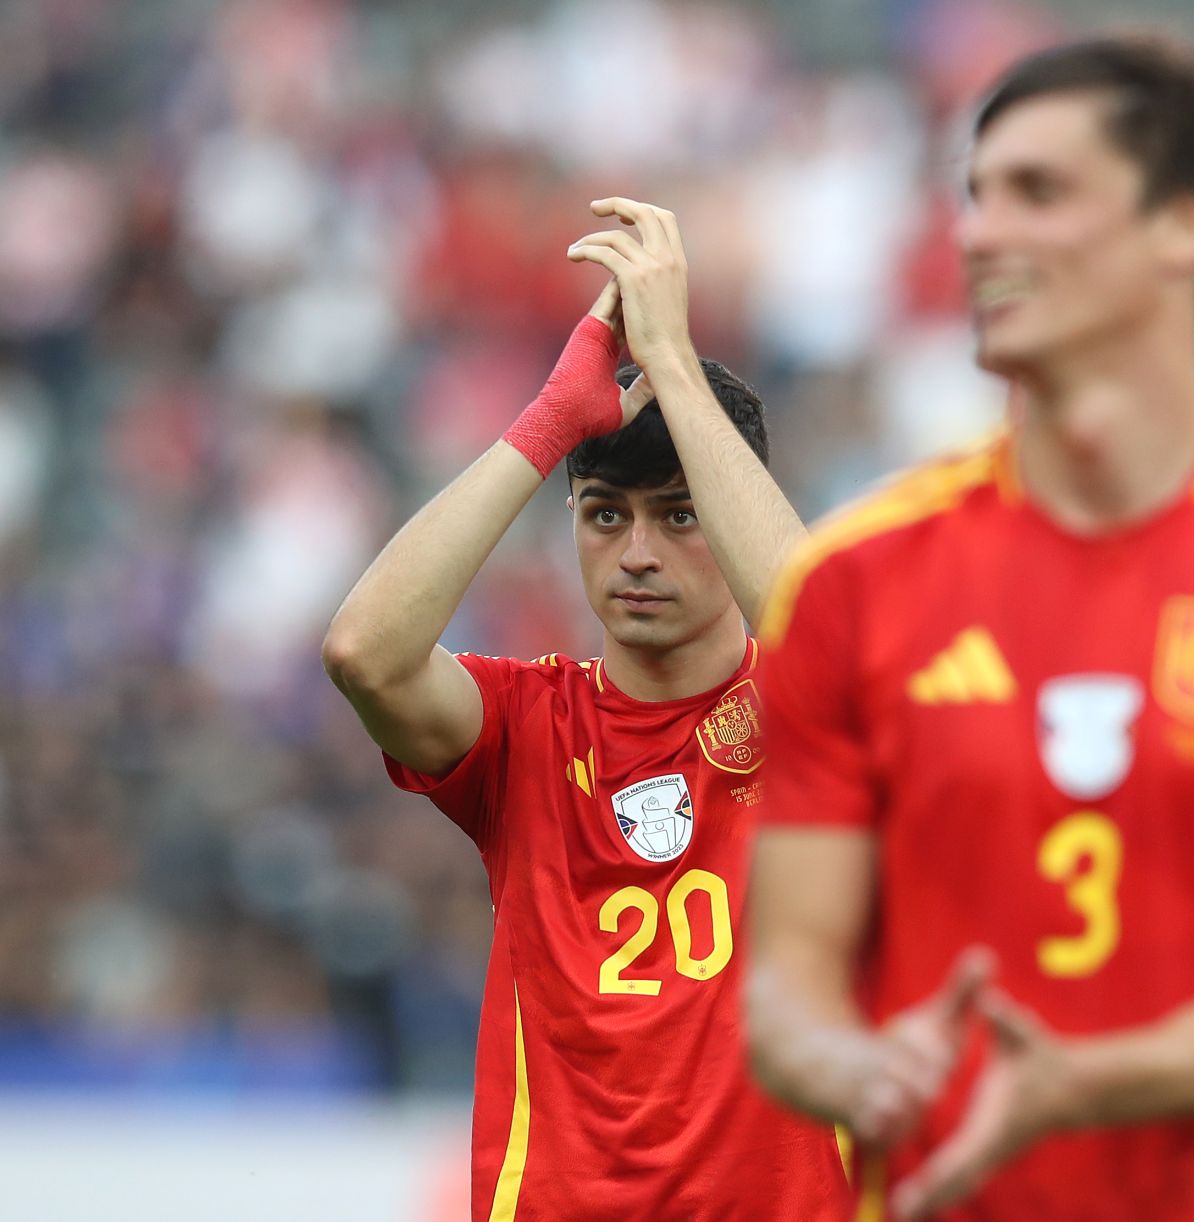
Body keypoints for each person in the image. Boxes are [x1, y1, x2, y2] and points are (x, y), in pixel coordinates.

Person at [745, 38, 1194, 1222]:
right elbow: (788, 990)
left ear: (1186, 226)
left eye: (1037, 192)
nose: (977, 234)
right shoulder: (845, 581)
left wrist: (1074, 1084)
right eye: (973, 195)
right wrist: (854, 1067)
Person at [323, 197, 847, 1221]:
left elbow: (834, 650)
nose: (638, 554)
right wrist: (548, 423)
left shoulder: (812, 721)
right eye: (605, 514)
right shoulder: (522, 725)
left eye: (679, 514)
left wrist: (677, 371)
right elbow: (364, 653)